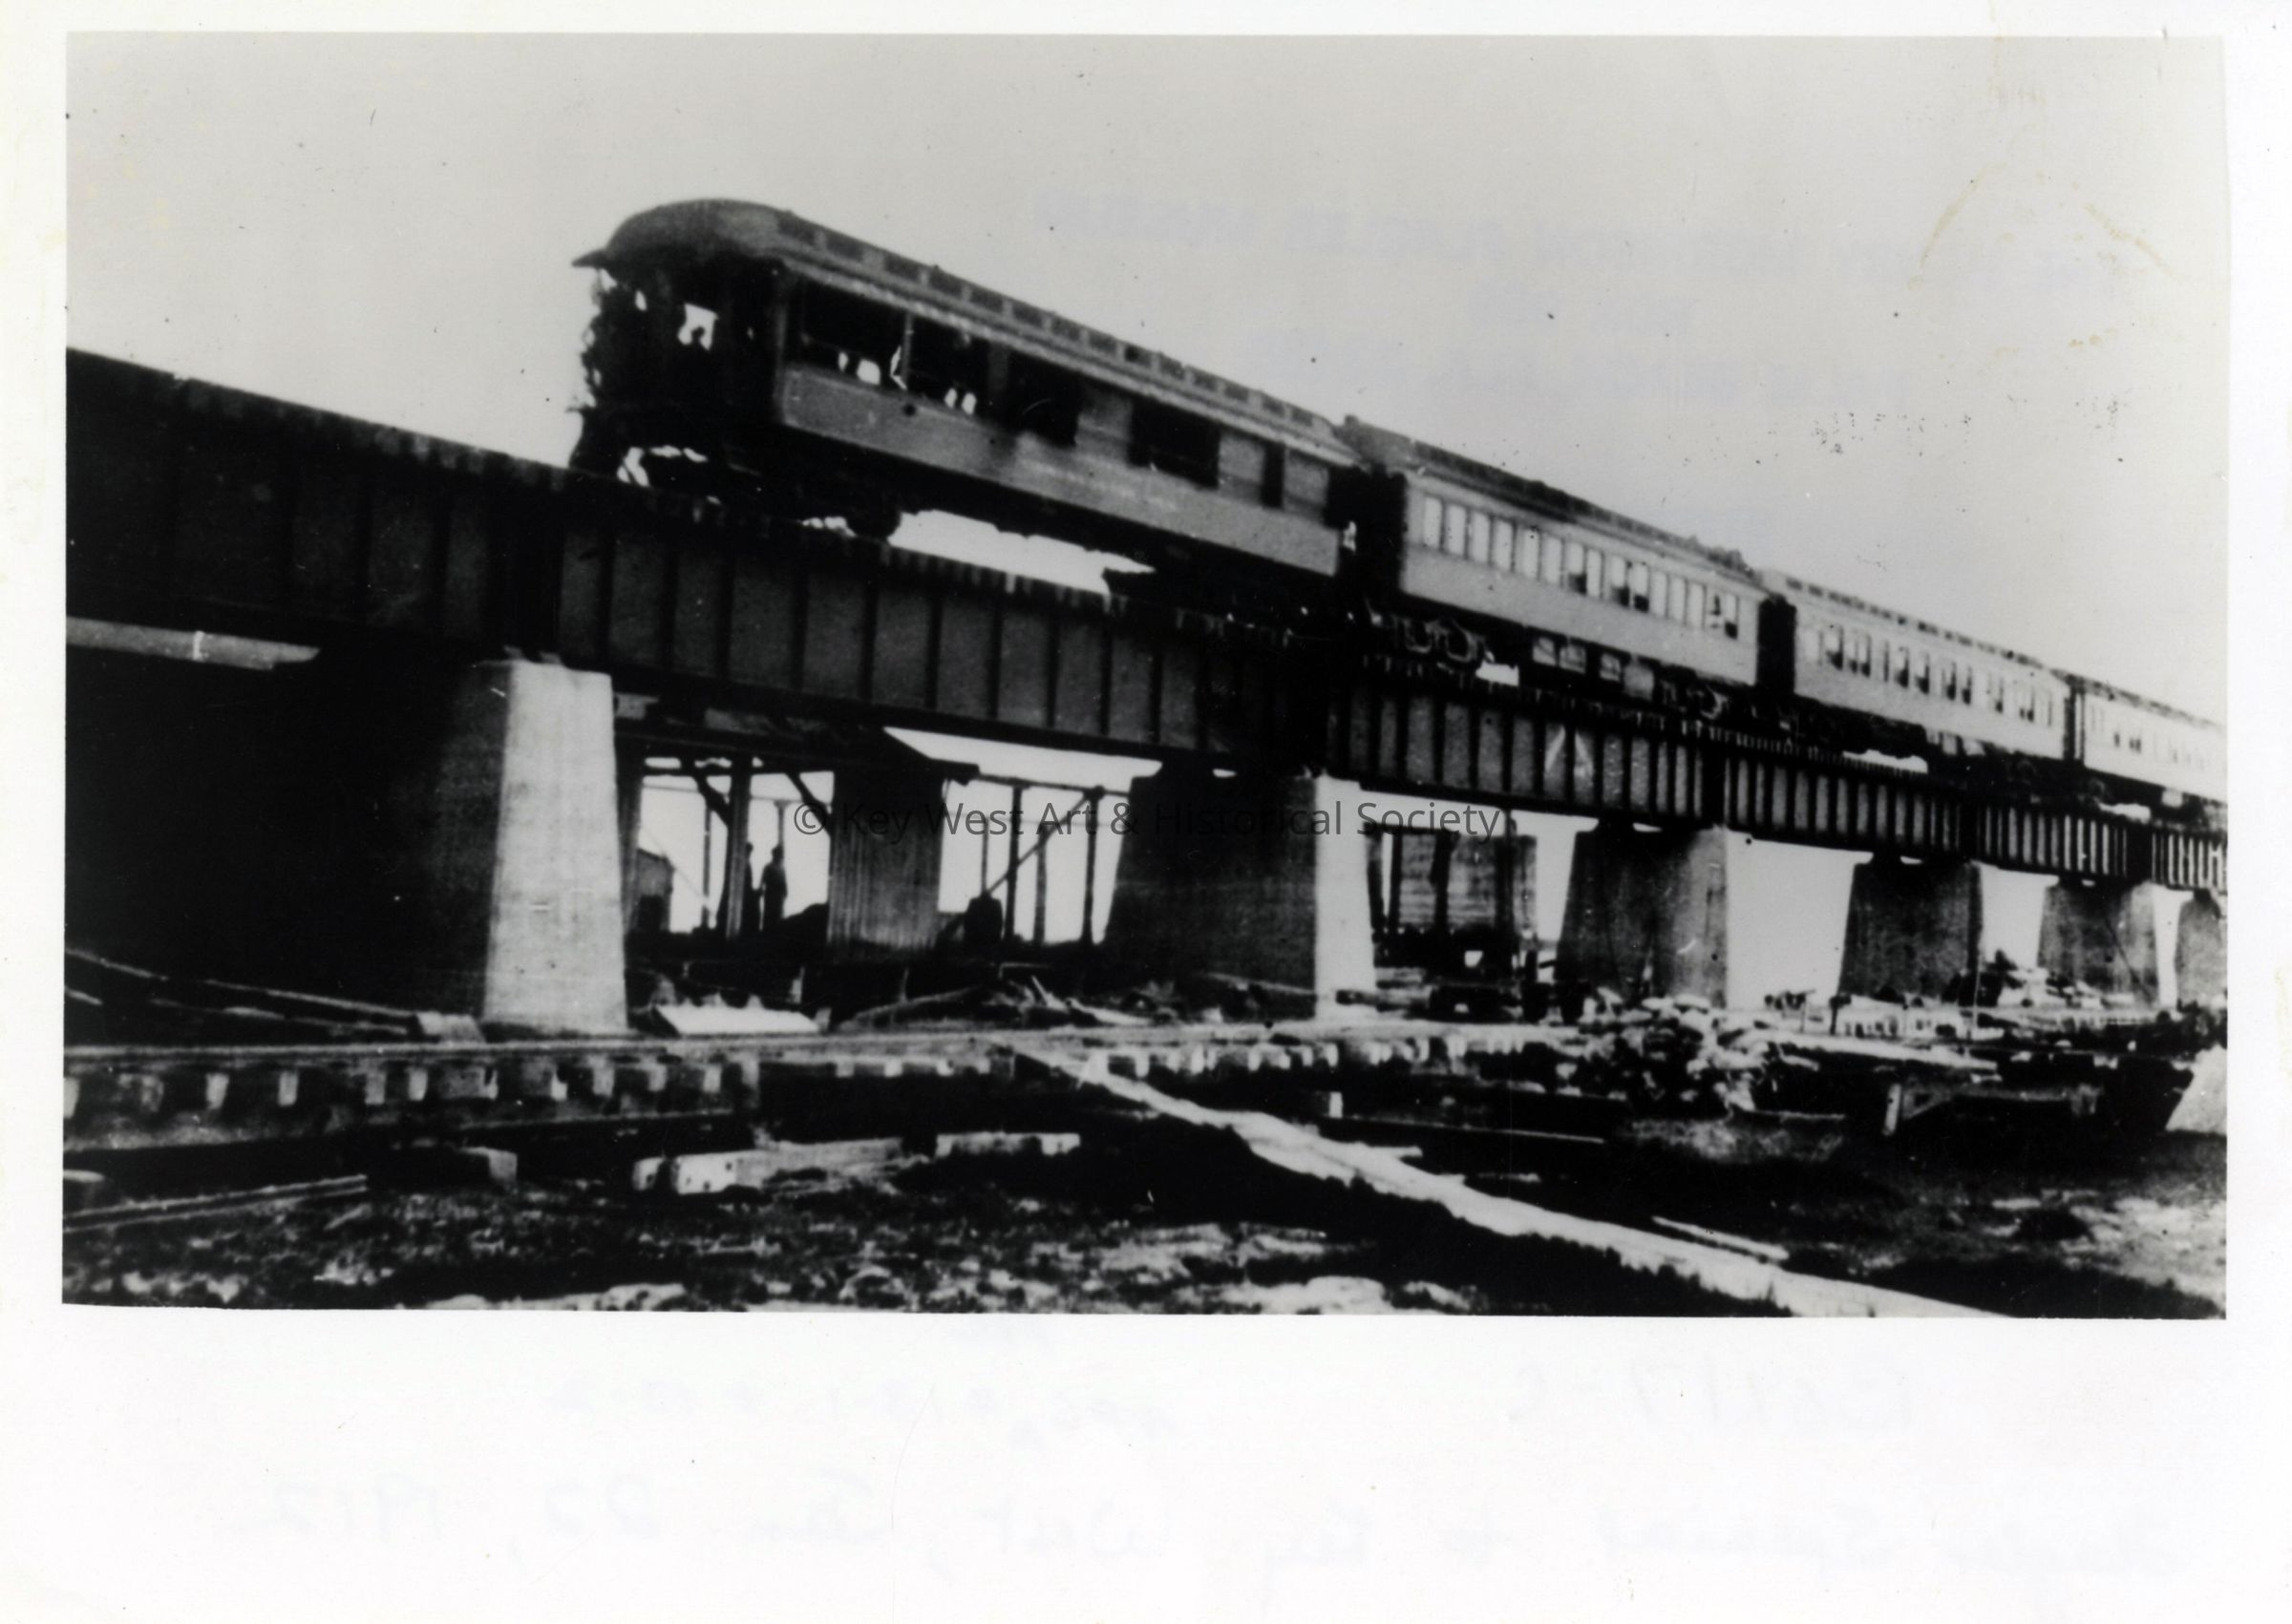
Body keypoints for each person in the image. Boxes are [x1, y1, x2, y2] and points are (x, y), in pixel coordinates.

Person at [760, 844, 790, 929]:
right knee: (769, 916)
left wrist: (785, 893)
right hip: (770, 895)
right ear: (773, 855)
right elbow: (762, 881)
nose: (778, 857)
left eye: (779, 855)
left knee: (778, 915)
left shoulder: (782, 868)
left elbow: (784, 882)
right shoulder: (768, 867)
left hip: (779, 896)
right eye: (777, 855)